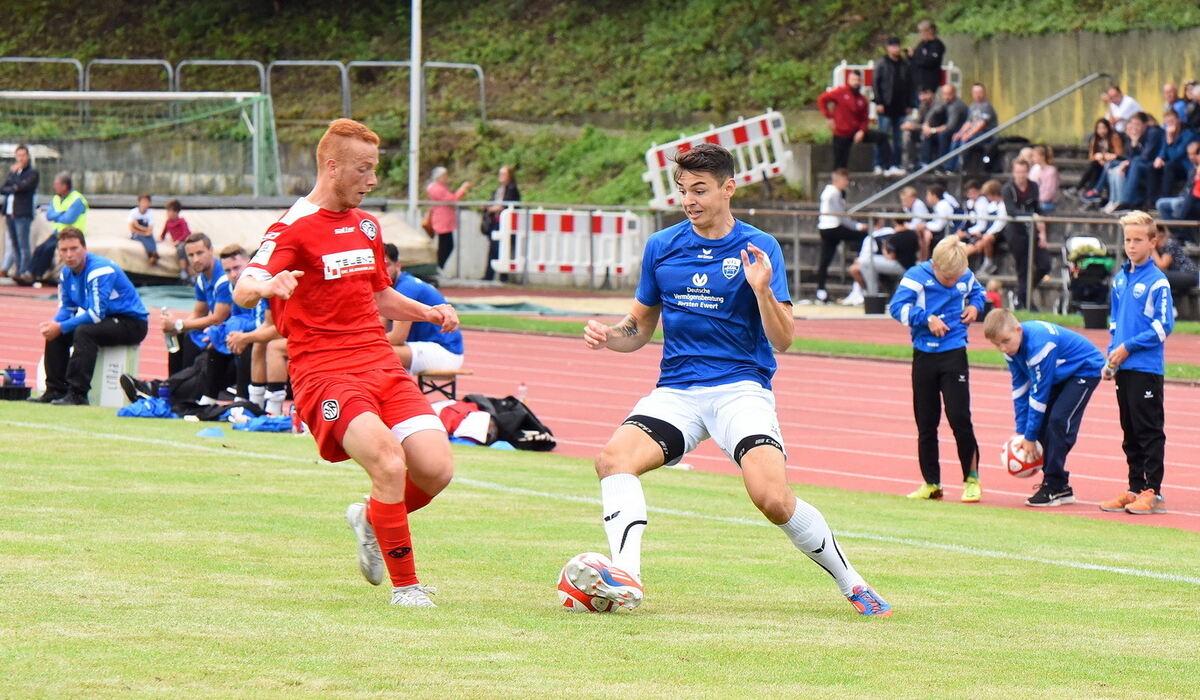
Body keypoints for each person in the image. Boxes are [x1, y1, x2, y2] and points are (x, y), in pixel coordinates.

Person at [571, 143, 891, 616]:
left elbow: (784, 340)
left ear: (728, 188)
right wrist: (608, 335)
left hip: (741, 388)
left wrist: (761, 289)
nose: (689, 200)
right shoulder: (662, 247)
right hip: (677, 391)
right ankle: (627, 577)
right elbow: (638, 328)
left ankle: (854, 584)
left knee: (773, 500)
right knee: (613, 460)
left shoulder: (761, 248)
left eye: (700, 190)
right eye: (683, 190)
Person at [234, 118, 460, 607]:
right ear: (331, 167)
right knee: (388, 462)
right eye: (363, 169)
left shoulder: (366, 225)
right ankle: (407, 588)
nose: (372, 180)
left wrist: (428, 310)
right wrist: (268, 285)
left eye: (374, 169)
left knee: (437, 469)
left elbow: (379, 294)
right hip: (325, 372)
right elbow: (244, 284)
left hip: (379, 362)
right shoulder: (292, 228)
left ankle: (372, 517)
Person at [888, 236, 985, 503]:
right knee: (926, 423)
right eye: (947, 278)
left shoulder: (964, 274)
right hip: (924, 355)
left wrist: (976, 307)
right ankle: (932, 483)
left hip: (954, 352)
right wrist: (926, 319)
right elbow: (896, 308)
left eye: (957, 278)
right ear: (934, 266)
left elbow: (979, 292)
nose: (953, 283)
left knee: (960, 419)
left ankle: (972, 479)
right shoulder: (916, 276)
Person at [984, 310, 1104, 507]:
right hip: (1060, 374)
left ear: (1018, 329)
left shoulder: (1040, 345)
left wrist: (1030, 438)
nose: (1003, 348)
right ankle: (1060, 485)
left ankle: (1055, 485)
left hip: (1084, 369)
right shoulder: (1012, 351)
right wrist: (1022, 432)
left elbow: (1039, 395)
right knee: (1039, 427)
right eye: (997, 345)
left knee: (1058, 421)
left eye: (1005, 341)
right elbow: (1020, 389)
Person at [1097, 211, 1174, 516]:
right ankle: (1133, 488)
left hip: (1146, 367)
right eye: (1127, 239)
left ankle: (1153, 491)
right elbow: (1115, 322)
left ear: (1152, 241)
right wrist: (1112, 356)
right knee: (1128, 429)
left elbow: (1162, 326)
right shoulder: (1120, 279)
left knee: (1148, 429)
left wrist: (1129, 347)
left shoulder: (1158, 282)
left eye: (1138, 240)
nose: (1131, 245)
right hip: (1124, 368)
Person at [28, 227, 148, 405]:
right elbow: (67, 309)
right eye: (64, 250)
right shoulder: (66, 273)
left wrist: (61, 326)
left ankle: (77, 393)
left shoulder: (99, 270)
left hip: (131, 322)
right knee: (57, 332)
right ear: (59, 252)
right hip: (107, 319)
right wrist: (54, 325)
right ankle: (55, 389)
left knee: (84, 332)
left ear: (84, 249)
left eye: (74, 248)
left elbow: (96, 314)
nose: (69, 254)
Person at [383, 243, 465, 374]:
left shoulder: (406, 288)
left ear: (398, 265)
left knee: (376, 353)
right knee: (372, 351)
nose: (382, 271)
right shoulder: (386, 291)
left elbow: (398, 337)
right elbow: (379, 328)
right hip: (422, 347)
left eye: (386, 265)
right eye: (378, 267)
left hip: (445, 351)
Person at [161, 233, 231, 377]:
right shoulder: (201, 279)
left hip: (233, 330)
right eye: (191, 255)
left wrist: (179, 324)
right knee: (179, 334)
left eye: (200, 253)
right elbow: (199, 313)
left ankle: (181, 386)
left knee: (188, 334)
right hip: (219, 328)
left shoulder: (223, 279)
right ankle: (173, 383)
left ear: (211, 250)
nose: (196, 259)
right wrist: (176, 326)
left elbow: (218, 318)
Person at [817, 70, 891, 171]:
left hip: (856, 131)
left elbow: (864, 118)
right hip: (841, 132)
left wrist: (862, 130)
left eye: (858, 80)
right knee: (840, 162)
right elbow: (822, 100)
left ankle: (886, 167)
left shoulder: (862, 99)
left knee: (882, 137)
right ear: (848, 80)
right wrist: (828, 116)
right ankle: (838, 180)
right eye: (853, 80)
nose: (856, 82)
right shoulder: (840, 92)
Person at [811, 168, 866, 304]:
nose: (847, 182)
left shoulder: (832, 192)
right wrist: (857, 226)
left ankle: (821, 291)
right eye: (845, 180)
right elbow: (841, 216)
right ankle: (861, 261)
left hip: (826, 227)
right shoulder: (833, 193)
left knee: (825, 260)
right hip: (833, 227)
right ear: (839, 180)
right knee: (863, 236)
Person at [1003, 159, 1050, 309]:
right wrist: (1030, 216)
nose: (1020, 175)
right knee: (1023, 268)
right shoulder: (1008, 189)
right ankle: (1025, 301)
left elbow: (1037, 209)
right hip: (1016, 233)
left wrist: (1042, 232)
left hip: (1032, 231)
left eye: (1023, 172)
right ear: (1013, 172)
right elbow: (1011, 210)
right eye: (1018, 172)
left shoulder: (1033, 186)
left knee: (1044, 265)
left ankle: (1021, 294)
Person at [26, 171, 88, 284]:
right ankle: (30, 273)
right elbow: (49, 215)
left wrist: (58, 215)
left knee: (49, 248)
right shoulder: (56, 198)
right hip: (58, 232)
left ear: (65, 186)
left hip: (73, 234)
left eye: (57, 184)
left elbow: (69, 219)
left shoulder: (77, 199)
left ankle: (38, 275)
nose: (55, 187)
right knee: (40, 248)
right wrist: (62, 213)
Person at [1103, 112, 1163, 213]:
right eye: (1133, 124)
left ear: (1145, 124)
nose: (1135, 127)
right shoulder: (1137, 133)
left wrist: (1127, 163)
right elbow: (1131, 156)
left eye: (1138, 124)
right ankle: (1113, 199)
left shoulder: (1152, 132)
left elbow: (1146, 156)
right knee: (1112, 164)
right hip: (1139, 162)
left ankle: (1127, 200)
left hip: (1152, 163)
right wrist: (1134, 142)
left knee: (1134, 164)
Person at [871, 37, 911, 177]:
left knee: (898, 138)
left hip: (900, 106)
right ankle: (878, 163)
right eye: (893, 46)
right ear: (888, 48)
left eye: (897, 46)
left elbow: (909, 84)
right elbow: (875, 83)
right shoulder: (882, 64)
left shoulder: (904, 64)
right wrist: (879, 101)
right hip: (886, 106)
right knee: (882, 136)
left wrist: (909, 104)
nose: (896, 49)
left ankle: (895, 164)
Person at [1, 144, 39, 279]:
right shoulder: (13, 172)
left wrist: (15, 183)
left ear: (27, 156)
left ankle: (24, 271)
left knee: (24, 245)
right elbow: (4, 188)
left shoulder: (32, 173)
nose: (20, 158)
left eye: (23, 155)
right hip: (10, 213)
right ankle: (17, 270)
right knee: (14, 245)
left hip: (22, 213)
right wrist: (14, 183)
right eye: (18, 156)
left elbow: (23, 187)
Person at [1154, 140, 1200, 244]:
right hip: (1186, 198)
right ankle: (1177, 234)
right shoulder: (1192, 169)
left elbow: (1195, 192)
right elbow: (1187, 188)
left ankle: (1186, 236)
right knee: (1161, 203)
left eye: (1195, 154)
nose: (1192, 157)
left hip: (1195, 201)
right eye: (1190, 154)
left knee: (1179, 205)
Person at [426, 166, 471, 270]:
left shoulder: (439, 187)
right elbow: (452, 199)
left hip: (445, 221)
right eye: (444, 175)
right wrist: (462, 189)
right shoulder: (437, 188)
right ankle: (438, 267)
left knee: (446, 245)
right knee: (446, 246)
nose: (446, 178)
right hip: (442, 221)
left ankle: (438, 267)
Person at [481, 165, 520, 282]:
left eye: (503, 174)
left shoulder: (512, 189)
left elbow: (509, 204)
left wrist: (495, 208)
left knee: (502, 249)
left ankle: (503, 276)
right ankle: (489, 275)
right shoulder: (499, 189)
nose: (501, 176)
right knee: (493, 248)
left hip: (505, 223)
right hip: (495, 221)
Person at [949, 84, 998, 173]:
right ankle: (950, 167)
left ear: (984, 93)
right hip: (975, 134)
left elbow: (982, 124)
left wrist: (969, 134)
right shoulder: (972, 106)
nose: (978, 95)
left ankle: (960, 167)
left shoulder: (987, 106)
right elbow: (968, 123)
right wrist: (960, 133)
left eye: (980, 92)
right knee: (956, 139)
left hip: (986, 135)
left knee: (967, 140)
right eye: (975, 92)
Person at [1151, 110, 1195, 202]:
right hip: (1172, 165)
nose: (1170, 124)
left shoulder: (1188, 134)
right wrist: (1159, 158)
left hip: (1185, 167)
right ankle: (1151, 200)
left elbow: (1176, 156)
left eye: (1172, 121)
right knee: (1151, 167)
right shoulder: (1167, 134)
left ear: (1178, 120)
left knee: (1169, 166)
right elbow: (1163, 149)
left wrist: (1170, 140)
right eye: (1167, 123)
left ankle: (1164, 197)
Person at [1079, 118, 1125, 199]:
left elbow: (1119, 154)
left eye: (1104, 128)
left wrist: (1103, 156)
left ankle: (1091, 190)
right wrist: (1099, 159)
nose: (1101, 131)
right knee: (1094, 165)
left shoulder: (1114, 137)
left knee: (1096, 166)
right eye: (1099, 128)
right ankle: (1089, 191)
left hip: (1113, 163)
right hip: (1100, 164)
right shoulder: (1095, 138)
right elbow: (1091, 156)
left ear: (1108, 128)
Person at [923, 84, 967, 167]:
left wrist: (932, 130)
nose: (946, 96)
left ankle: (942, 164)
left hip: (957, 131)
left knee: (942, 134)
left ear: (954, 93)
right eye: (944, 94)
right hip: (946, 130)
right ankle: (925, 163)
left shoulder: (956, 106)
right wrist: (926, 125)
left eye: (949, 94)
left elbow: (950, 126)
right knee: (927, 135)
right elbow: (932, 112)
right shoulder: (945, 102)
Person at [1151, 224, 1198, 300]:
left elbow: (1162, 266)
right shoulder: (1159, 249)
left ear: (1161, 233)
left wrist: (1151, 249)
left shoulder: (1170, 243)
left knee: (1158, 276)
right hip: (1178, 275)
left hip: (1189, 274)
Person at [909, 19, 945, 98]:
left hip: (928, 85)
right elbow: (915, 58)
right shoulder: (922, 44)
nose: (921, 34)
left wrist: (915, 56)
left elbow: (929, 61)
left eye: (922, 31)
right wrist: (911, 55)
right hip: (916, 83)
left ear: (930, 31)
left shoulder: (937, 46)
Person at [160, 199, 193, 281]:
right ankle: (186, 273)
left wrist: (178, 241)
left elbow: (186, 233)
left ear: (176, 212)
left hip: (185, 241)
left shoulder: (182, 221)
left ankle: (186, 272)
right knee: (181, 248)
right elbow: (163, 234)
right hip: (177, 244)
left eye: (169, 211)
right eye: (167, 211)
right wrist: (160, 239)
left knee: (183, 248)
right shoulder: (168, 222)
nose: (167, 213)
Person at [127, 193, 158, 266]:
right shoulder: (133, 212)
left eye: (147, 202)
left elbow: (150, 229)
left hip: (146, 233)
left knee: (151, 238)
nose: (145, 204)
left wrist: (138, 225)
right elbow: (132, 229)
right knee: (143, 238)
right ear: (139, 202)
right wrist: (144, 231)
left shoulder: (150, 213)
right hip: (137, 234)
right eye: (143, 201)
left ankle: (154, 254)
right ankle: (151, 254)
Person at [1029, 145, 1059, 214]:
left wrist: (1036, 200)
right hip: (1037, 201)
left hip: (1046, 203)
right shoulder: (1037, 170)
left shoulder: (1051, 171)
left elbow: (1049, 192)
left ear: (1042, 157)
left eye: (1034, 156)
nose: (1032, 158)